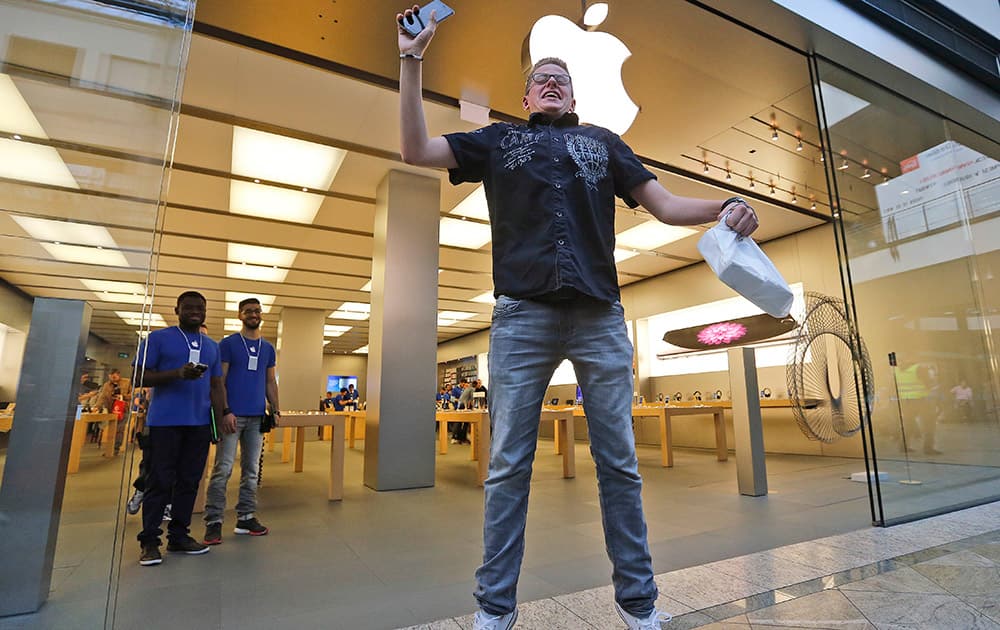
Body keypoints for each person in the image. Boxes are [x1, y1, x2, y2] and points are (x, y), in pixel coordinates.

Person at [395, 7, 759, 629]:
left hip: (599, 317)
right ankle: (495, 608)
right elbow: (416, 149)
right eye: (541, 75)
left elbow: (666, 206)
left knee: (619, 461)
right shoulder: (498, 140)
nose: (552, 79)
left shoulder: (605, 144)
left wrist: (724, 206)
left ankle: (639, 606)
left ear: (574, 93)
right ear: (526, 94)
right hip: (521, 316)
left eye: (561, 74)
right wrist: (412, 60)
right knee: (509, 463)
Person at [133, 291, 230, 566]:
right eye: (189, 307)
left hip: (198, 424)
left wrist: (222, 414)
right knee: (159, 481)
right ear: (177, 309)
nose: (195, 311)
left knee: (189, 481)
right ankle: (150, 541)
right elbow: (138, 376)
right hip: (164, 424)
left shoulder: (212, 346)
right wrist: (176, 374)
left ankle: (179, 536)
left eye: (200, 307)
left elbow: (216, 385)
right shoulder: (158, 339)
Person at [203, 297, 279, 545]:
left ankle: (246, 517)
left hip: (257, 418)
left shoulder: (267, 349)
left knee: (251, 470)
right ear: (240, 315)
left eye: (257, 311)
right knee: (222, 469)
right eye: (248, 311)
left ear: (261, 314)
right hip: (232, 417)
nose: (253, 314)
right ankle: (213, 522)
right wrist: (224, 411)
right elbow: (219, 381)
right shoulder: (228, 344)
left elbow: (270, 381)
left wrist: (276, 408)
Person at [96, 368, 132, 452]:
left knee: (119, 429)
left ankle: (116, 448)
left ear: (119, 375)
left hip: (124, 409)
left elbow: (133, 394)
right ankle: (110, 448)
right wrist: (97, 406)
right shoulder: (106, 385)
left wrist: (122, 396)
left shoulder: (127, 382)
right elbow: (102, 397)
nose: (113, 378)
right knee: (112, 428)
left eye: (115, 377)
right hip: (111, 409)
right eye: (111, 377)